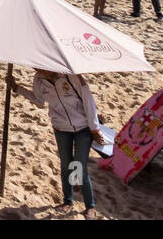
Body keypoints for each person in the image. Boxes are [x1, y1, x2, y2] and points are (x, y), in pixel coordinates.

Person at [9, 69, 103, 213]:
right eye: (36, 68)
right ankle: (68, 201)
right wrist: (17, 88)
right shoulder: (39, 79)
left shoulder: (71, 77)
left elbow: (88, 101)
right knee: (66, 165)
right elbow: (39, 100)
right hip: (61, 128)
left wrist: (94, 129)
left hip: (83, 128)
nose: (39, 71)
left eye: (41, 68)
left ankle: (90, 206)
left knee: (78, 166)